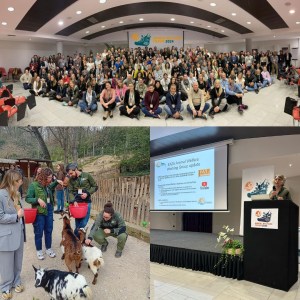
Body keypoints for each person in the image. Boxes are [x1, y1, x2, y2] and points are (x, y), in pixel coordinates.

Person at [26, 168, 63, 260]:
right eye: (49, 177)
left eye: (51, 177)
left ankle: (48, 248)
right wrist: (37, 200)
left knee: (49, 230)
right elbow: (27, 198)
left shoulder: (47, 185)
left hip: (49, 210)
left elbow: (50, 187)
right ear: (43, 177)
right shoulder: (33, 185)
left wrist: (57, 181)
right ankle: (39, 250)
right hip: (39, 212)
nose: (51, 179)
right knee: (38, 232)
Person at [0, 170, 26, 300]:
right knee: (6, 263)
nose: (21, 182)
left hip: (19, 232)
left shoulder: (17, 194)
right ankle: (5, 286)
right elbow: (0, 217)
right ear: (12, 181)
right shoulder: (0, 195)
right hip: (6, 235)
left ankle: (17, 281)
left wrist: (21, 214)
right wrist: (17, 216)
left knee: (18, 260)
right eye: (19, 180)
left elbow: (19, 210)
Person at [66, 163, 98, 238]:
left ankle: (74, 235)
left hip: (86, 202)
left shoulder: (87, 176)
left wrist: (87, 193)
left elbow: (95, 186)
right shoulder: (71, 179)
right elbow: (70, 191)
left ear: (76, 169)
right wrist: (73, 201)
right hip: (77, 203)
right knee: (78, 221)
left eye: (71, 173)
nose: (70, 175)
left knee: (84, 221)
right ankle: (79, 239)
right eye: (69, 174)